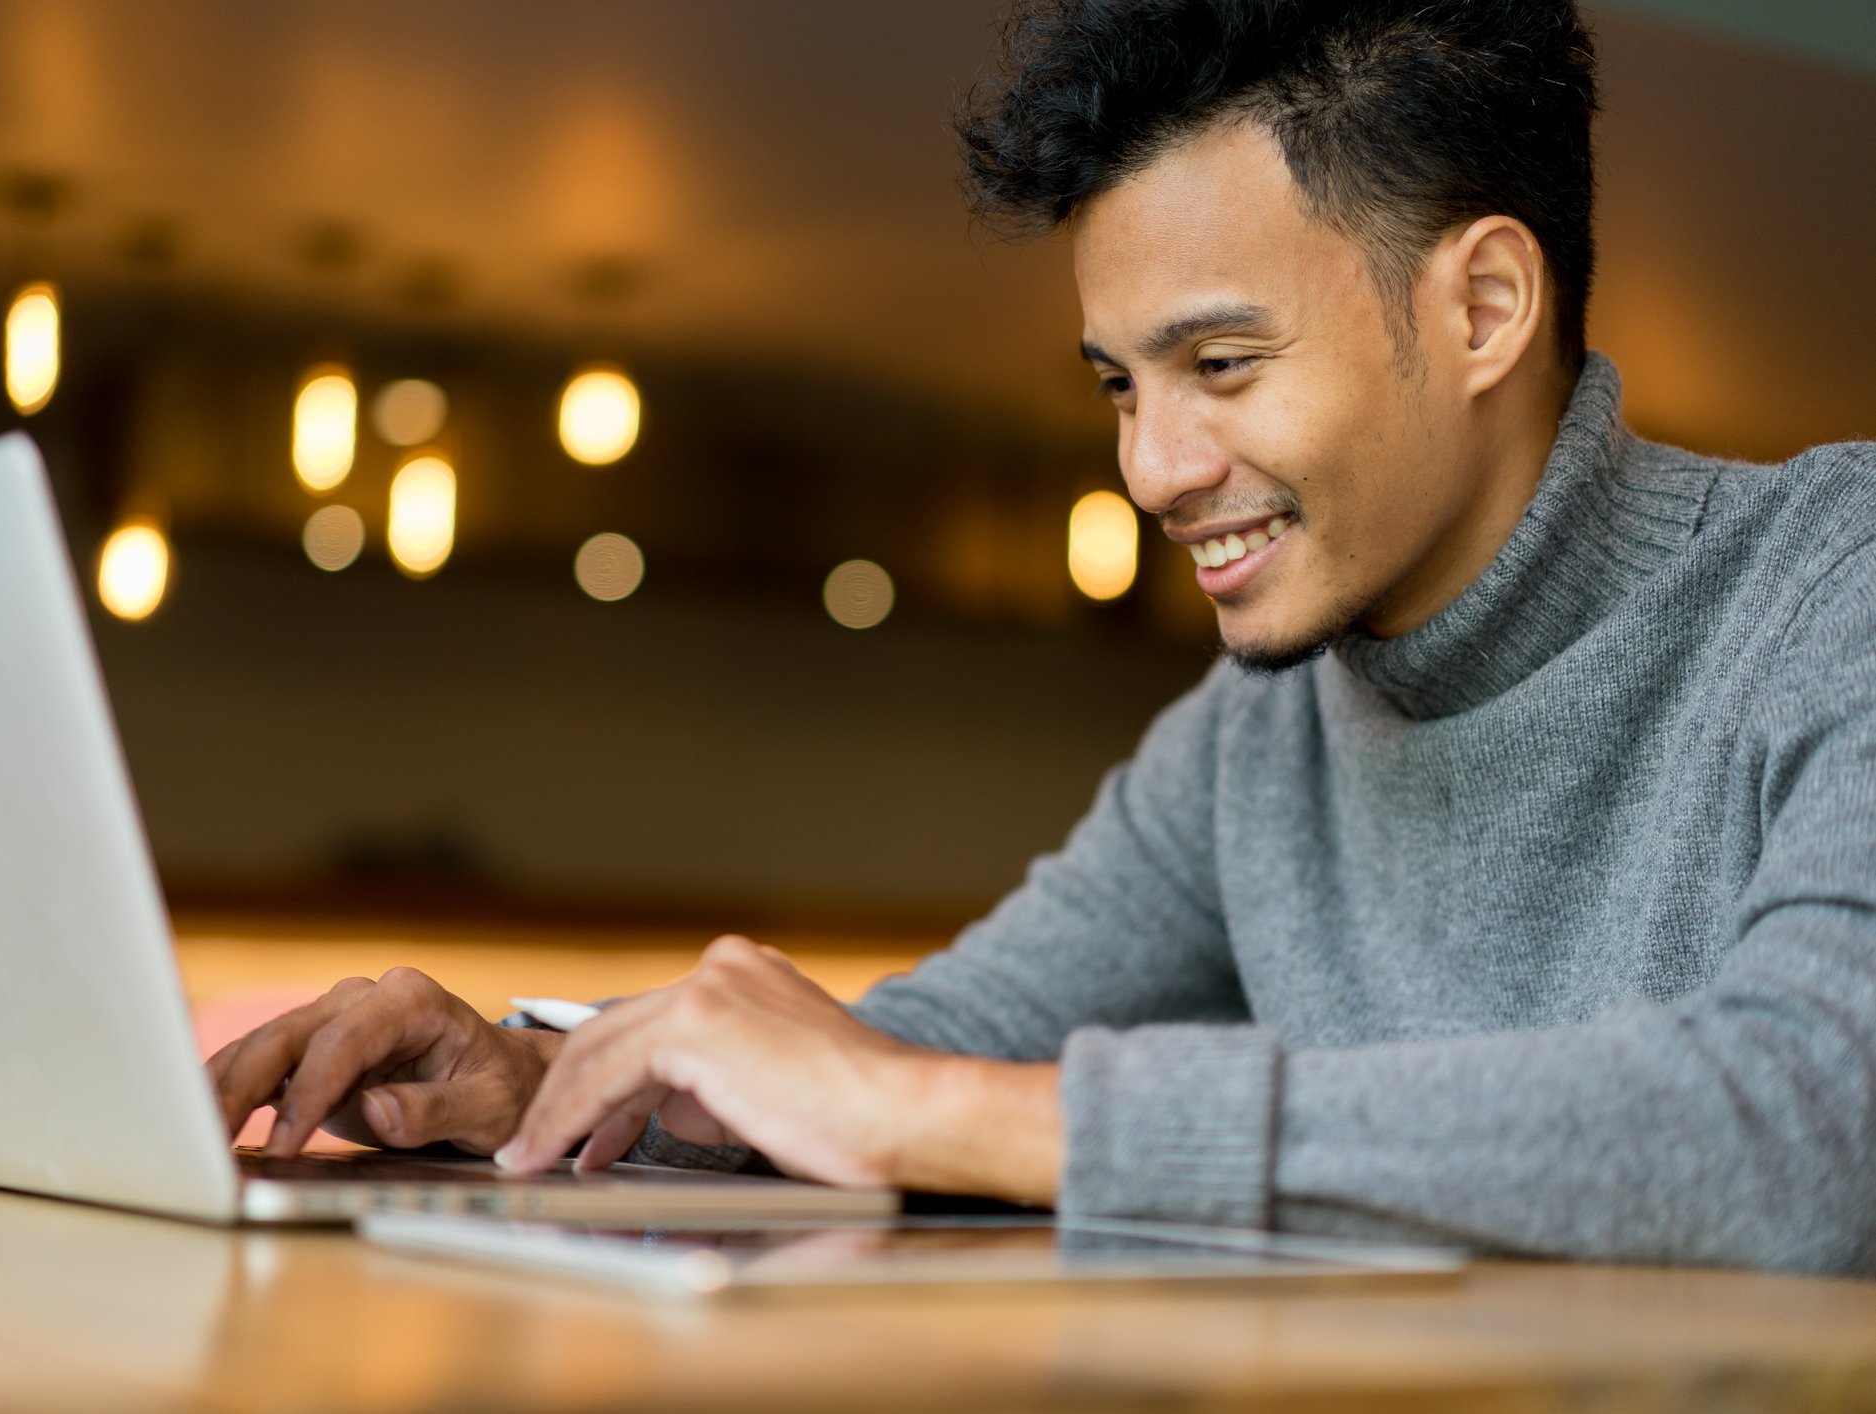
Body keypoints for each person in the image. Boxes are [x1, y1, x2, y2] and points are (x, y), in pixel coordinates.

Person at [207, 0, 1876, 1274]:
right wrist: (536, 1082)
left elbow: (1811, 1131)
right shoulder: (1255, 736)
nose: (1150, 467)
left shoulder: (1833, 580)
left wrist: (950, 1117)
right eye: (1118, 386)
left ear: (1482, 307)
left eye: (1219, 366)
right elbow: (934, 1049)